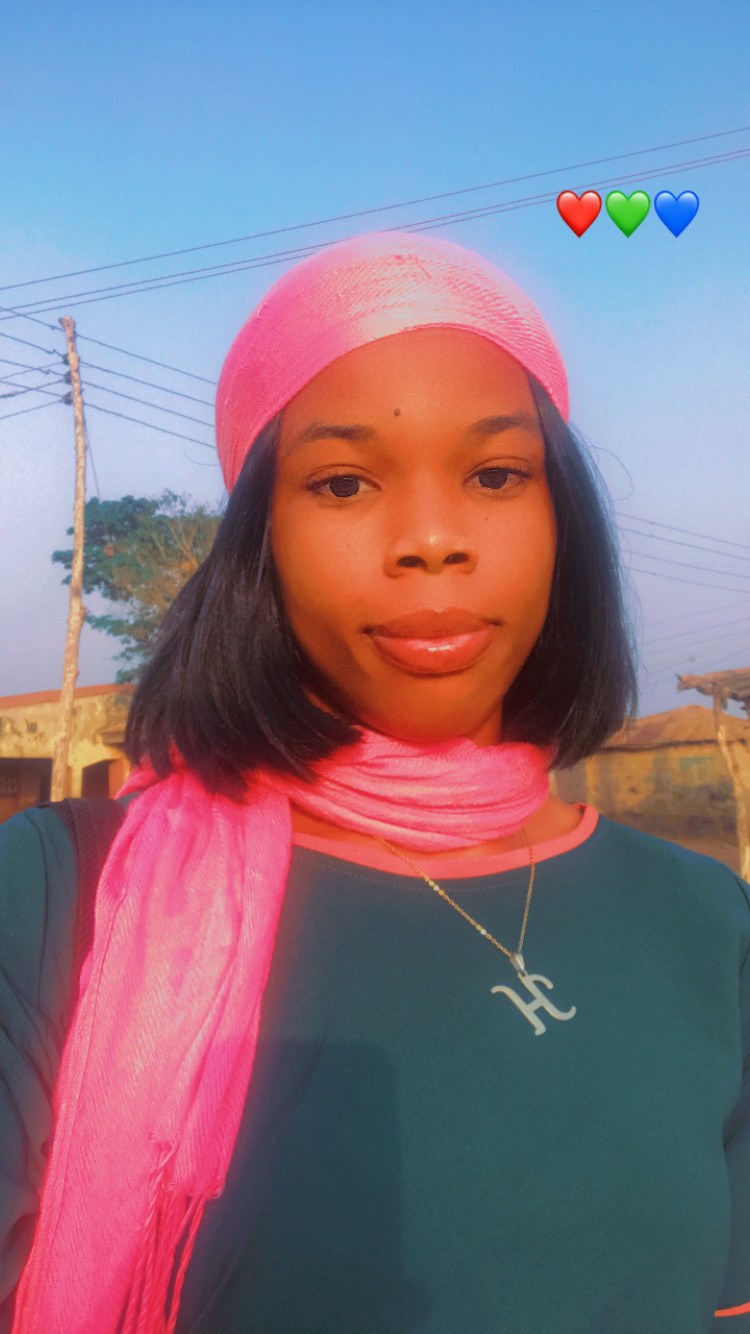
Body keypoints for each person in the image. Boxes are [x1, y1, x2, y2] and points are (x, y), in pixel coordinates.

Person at [1, 230, 749, 1334]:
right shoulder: (57, 896)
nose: (432, 541)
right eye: (343, 482)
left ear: (562, 518)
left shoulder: (708, 922)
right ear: (262, 540)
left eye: (496, 475)